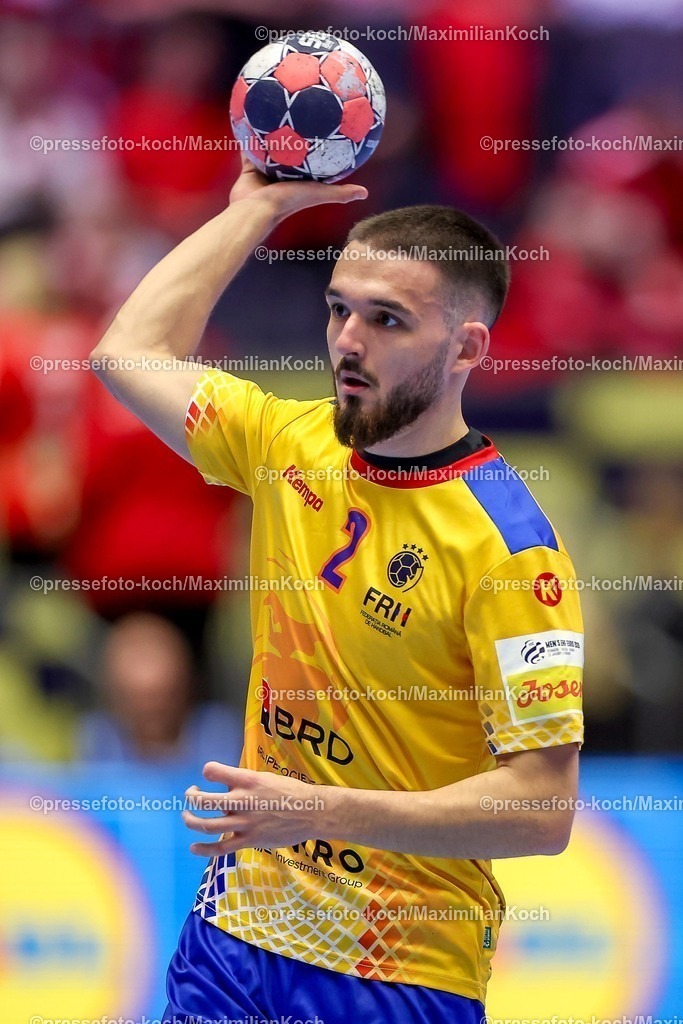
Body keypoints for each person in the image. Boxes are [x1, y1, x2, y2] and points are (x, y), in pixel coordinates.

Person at [91, 155, 584, 1024]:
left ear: (467, 348)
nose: (348, 342)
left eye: (387, 320)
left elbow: (541, 806)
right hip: (239, 932)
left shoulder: (510, 551)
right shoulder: (289, 443)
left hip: (399, 967)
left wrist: (323, 811)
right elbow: (127, 351)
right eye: (338, 310)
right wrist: (255, 212)